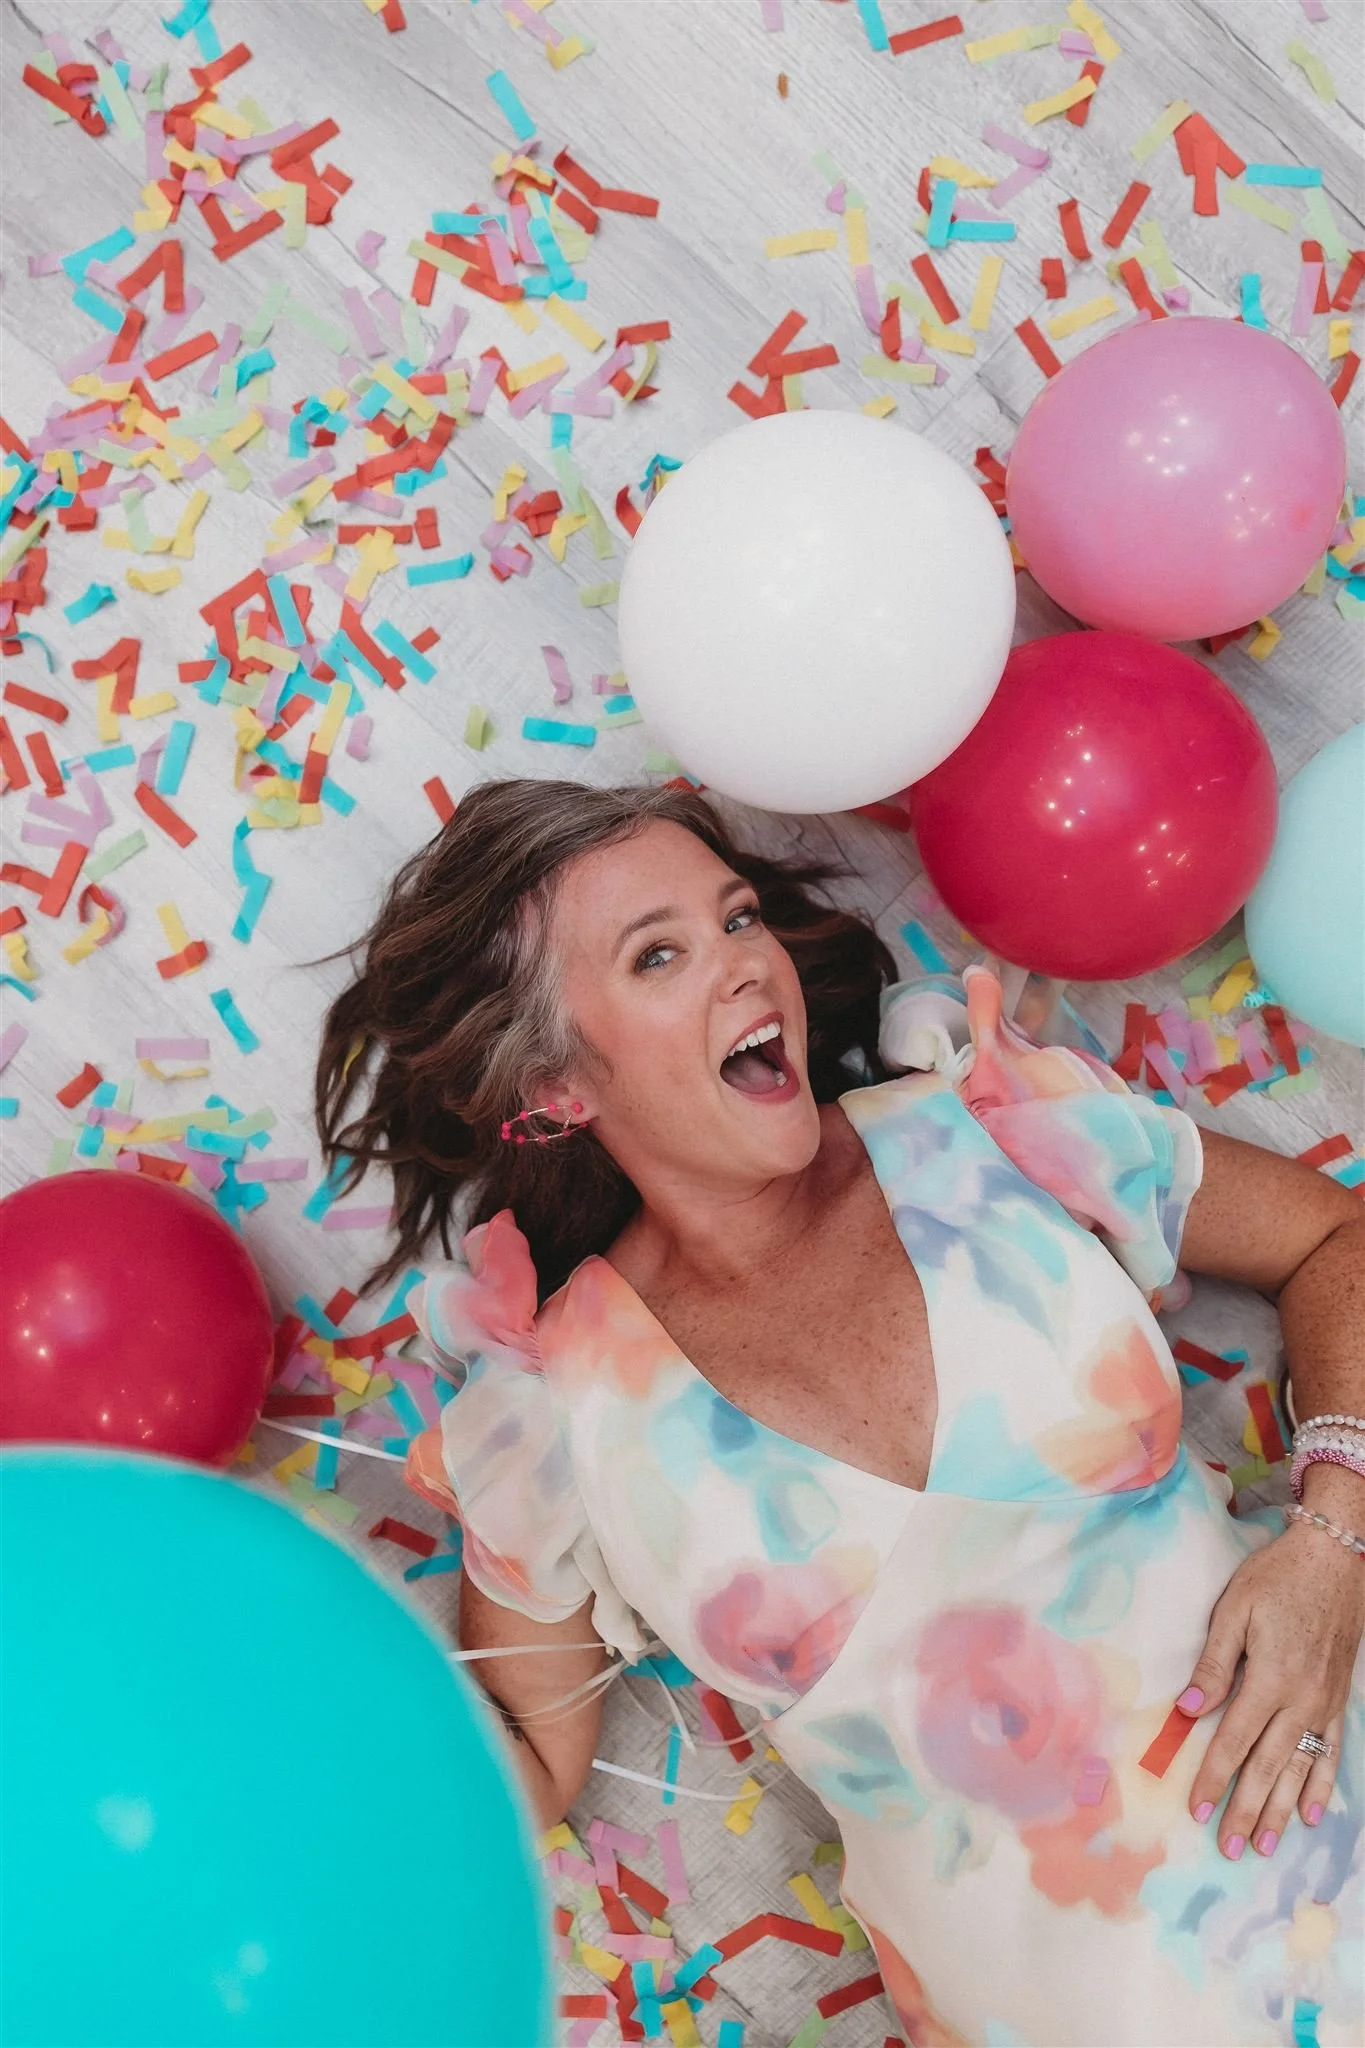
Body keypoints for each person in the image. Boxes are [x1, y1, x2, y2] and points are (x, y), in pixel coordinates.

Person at [313, 779, 1364, 2048]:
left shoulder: (993, 1128)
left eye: (737, 916)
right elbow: (517, 1760)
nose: (747, 965)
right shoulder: (552, 1414)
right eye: (660, 954)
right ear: (552, 1084)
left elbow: (1331, 1242)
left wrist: (1333, 1542)